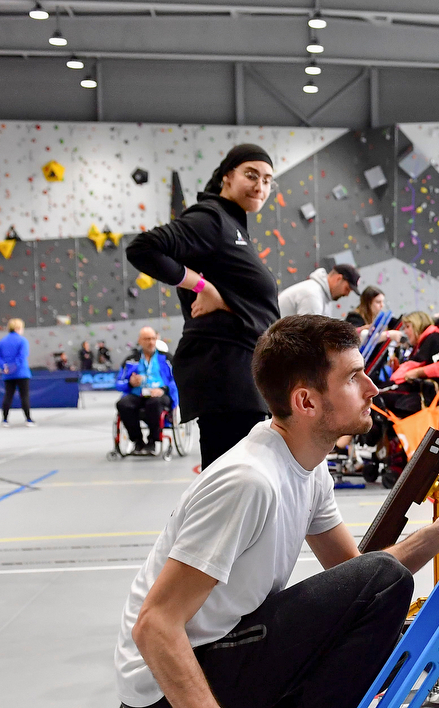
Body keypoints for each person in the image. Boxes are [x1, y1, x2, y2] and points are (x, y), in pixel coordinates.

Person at [115, 314, 439, 708]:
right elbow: (154, 627)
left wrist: (438, 534)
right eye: (354, 377)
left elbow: (357, 579)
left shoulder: (305, 465)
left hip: (211, 659)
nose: (372, 386)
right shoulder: (251, 482)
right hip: (163, 693)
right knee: (379, 593)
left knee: (375, 605)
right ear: (306, 401)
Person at [128, 143, 279, 469]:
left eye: (267, 180)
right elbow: (143, 248)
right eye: (251, 175)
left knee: (240, 489)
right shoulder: (211, 218)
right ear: (227, 176)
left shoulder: (234, 225)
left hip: (241, 376)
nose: (260, 186)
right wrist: (201, 286)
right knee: (232, 491)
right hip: (226, 376)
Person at [115, 326, 178, 454]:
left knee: (154, 403)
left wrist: (163, 389)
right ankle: (137, 441)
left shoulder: (166, 359)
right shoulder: (131, 360)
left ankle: (153, 441)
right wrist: (131, 383)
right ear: (140, 341)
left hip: (159, 395)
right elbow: (118, 382)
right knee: (123, 404)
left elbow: (177, 379)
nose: (151, 342)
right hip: (138, 394)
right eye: (147, 339)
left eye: (153, 338)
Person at [278, 263, 359, 317]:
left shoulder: (322, 296)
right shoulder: (312, 295)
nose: (347, 294)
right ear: (338, 279)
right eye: (347, 289)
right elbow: (307, 335)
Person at [0, 318, 33, 425]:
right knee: (24, 396)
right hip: (21, 373)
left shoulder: (2, 341)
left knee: (8, 395)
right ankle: (28, 419)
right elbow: (22, 356)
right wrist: (14, 367)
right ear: (17, 328)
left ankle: (5, 419)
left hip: (7, 374)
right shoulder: (23, 341)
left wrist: (5, 367)